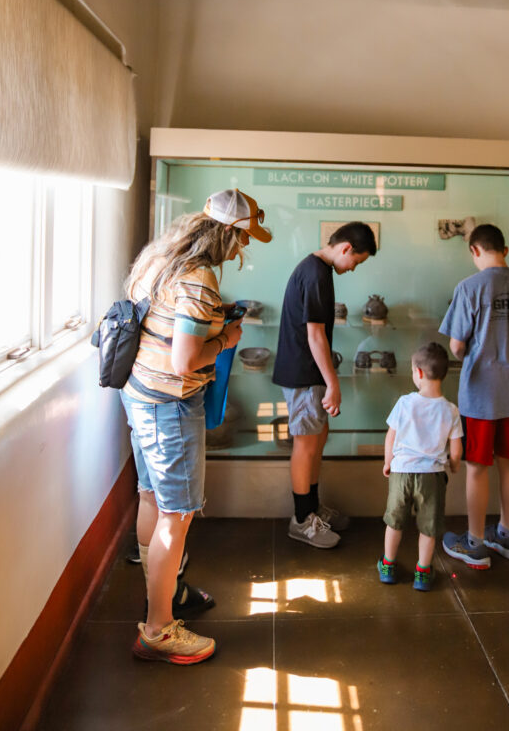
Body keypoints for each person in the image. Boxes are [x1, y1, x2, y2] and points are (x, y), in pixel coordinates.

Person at [121, 189, 272, 663]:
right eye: (243, 240)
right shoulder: (199, 276)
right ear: (227, 232)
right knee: (178, 514)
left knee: (151, 496)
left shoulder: (158, 258)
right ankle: (159, 630)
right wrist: (226, 337)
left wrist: (210, 325)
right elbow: (187, 361)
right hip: (171, 405)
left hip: (140, 394)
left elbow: (162, 328)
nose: (242, 250)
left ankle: (161, 597)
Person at [272, 221, 377, 547]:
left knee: (317, 439)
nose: (353, 268)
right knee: (306, 444)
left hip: (309, 373)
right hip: (304, 374)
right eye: (356, 261)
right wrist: (333, 383)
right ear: (346, 248)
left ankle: (312, 508)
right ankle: (302, 520)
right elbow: (314, 335)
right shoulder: (315, 273)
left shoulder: (317, 269)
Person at [439, 224, 509, 570]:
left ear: (474, 250)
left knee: (478, 466)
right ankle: (507, 535)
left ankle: (476, 543)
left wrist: (466, 350)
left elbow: (457, 344)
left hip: (480, 392)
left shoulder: (468, 287)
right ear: (504, 249)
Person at [378, 342, 463, 590]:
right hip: (432, 476)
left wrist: (387, 462)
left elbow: (391, 436)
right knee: (429, 526)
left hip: (401, 472)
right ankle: (423, 573)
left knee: (394, 521)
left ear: (419, 373)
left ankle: (388, 565)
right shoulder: (451, 410)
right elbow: (456, 447)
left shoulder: (405, 403)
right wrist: (454, 465)